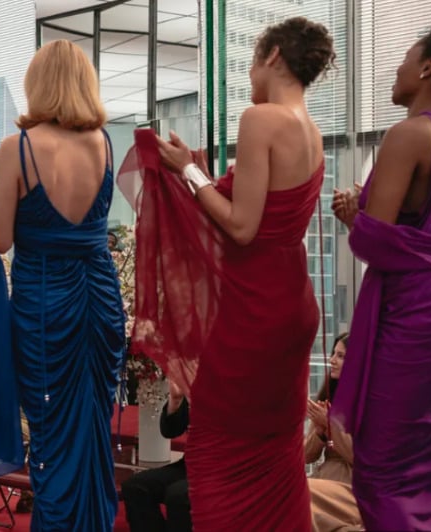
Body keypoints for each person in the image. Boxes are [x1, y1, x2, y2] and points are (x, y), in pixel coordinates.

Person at [124, 17, 335, 531]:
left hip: (253, 314)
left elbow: (241, 227)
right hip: (290, 304)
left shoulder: (262, 118)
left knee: (219, 460)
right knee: (273, 461)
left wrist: (187, 172)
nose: (247, 73)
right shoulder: (312, 132)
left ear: (275, 55)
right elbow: (257, 219)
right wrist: (193, 170)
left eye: (252, 58)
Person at [0, 39, 126, 531]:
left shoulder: (21, 146)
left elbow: (0, 239)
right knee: (93, 430)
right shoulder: (103, 141)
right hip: (100, 300)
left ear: (37, 85)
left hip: (46, 305)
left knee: (53, 434)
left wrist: (3, 178)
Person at [331, 20, 431, 530]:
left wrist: (355, 220)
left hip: (416, 310)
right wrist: (361, 216)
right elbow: (420, 230)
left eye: (406, 56)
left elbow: (374, 241)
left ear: (427, 66)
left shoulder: (408, 134)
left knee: (384, 466)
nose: (396, 67)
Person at [121, 380, 190, 532]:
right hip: (190, 465)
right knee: (135, 487)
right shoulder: (200, 381)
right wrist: (175, 401)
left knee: (177, 496)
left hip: (224, 468)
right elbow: (170, 431)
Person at [305, 332, 352, 483]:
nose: (332, 360)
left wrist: (328, 424)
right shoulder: (328, 397)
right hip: (325, 476)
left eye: (340, 356)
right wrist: (319, 433)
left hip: (350, 481)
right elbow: (306, 456)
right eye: (333, 354)